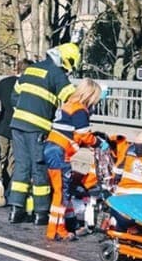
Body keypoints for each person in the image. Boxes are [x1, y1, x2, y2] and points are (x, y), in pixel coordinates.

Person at [7, 42, 79, 225]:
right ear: (66, 60)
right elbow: (72, 99)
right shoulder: (57, 73)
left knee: (21, 166)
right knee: (39, 169)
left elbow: (14, 97)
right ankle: (41, 213)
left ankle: (16, 210)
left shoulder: (32, 69)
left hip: (17, 125)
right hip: (37, 128)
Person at [42, 80, 103, 240]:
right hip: (60, 152)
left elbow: (71, 133)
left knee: (62, 191)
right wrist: (98, 143)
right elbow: (84, 135)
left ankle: (64, 225)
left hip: (52, 148)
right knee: (62, 193)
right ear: (90, 95)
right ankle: (56, 230)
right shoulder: (80, 110)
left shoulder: (68, 105)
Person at [0, 59, 25, 207]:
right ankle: (7, 189)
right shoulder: (30, 85)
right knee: (12, 161)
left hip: (3, 126)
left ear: (17, 69)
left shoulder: (5, 82)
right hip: (20, 128)